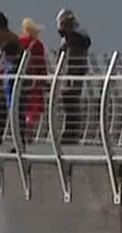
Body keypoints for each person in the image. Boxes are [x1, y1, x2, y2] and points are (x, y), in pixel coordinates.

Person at [55, 9, 92, 143]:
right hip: (71, 70)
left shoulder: (76, 35)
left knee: (71, 100)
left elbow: (79, 44)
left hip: (74, 71)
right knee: (68, 100)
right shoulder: (76, 34)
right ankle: (70, 131)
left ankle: (71, 132)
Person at [16, 17, 49, 137]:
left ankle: (22, 130)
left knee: (22, 105)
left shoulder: (18, 41)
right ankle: (29, 130)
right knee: (34, 107)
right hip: (36, 77)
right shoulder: (37, 44)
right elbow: (41, 63)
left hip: (21, 76)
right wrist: (44, 78)